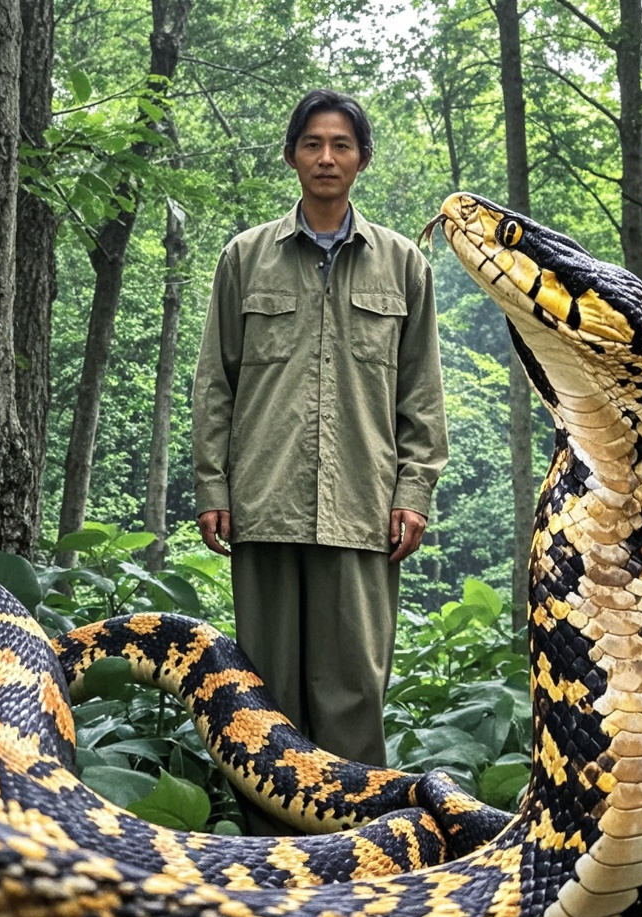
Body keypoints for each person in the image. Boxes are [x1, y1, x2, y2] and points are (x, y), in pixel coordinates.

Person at [191, 89, 448, 827]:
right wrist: (214, 483)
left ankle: (360, 852)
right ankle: (268, 850)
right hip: (263, 503)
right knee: (265, 694)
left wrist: (414, 491)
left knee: (353, 695)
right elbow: (217, 381)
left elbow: (422, 395)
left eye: (341, 144)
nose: (326, 157)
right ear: (291, 155)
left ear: (362, 158)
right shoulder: (245, 258)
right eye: (312, 143)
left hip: (364, 509)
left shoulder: (403, 265)